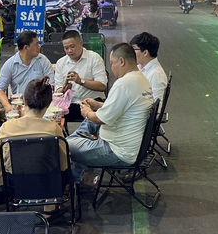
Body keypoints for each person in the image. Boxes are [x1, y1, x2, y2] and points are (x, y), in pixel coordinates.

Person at [66, 43, 154, 184]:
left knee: (60, 146)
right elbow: (124, 108)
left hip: (115, 151)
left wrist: (87, 112)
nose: (112, 68)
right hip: (128, 146)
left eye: (112, 63)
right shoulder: (141, 79)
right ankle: (76, 177)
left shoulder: (124, 84)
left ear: (121, 61)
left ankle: (67, 182)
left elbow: (100, 119)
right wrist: (98, 105)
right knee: (88, 124)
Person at [0, 77, 66, 188]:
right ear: (48, 104)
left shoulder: (6, 128)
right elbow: (64, 165)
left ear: (24, 101)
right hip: (47, 184)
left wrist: (1, 184)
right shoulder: (53, 129)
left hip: (14, 185)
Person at [54, 30, 108, 122]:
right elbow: (57, 90)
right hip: (70, 103)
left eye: (72, 46)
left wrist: (81, 81)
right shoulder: (60, 63)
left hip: (92, 102)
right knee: (54, 116)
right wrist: (64, 89)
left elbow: (102, 86)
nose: (70, 51)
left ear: (81, 43)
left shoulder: (94, 58)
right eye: (66, 48)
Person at [0, 30, 54, 114]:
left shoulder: (43, 60)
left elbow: (51, 84)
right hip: (19, 102)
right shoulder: (10, 64)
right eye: (36, 44)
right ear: (26, 47)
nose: (39, 46)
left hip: (40, 102)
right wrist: (7, 106)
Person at [130, 32, 168, 103]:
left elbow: (156, 108)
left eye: (134, 49)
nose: (131, 53)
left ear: (145, 53)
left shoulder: (156, 75)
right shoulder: (140, 67)